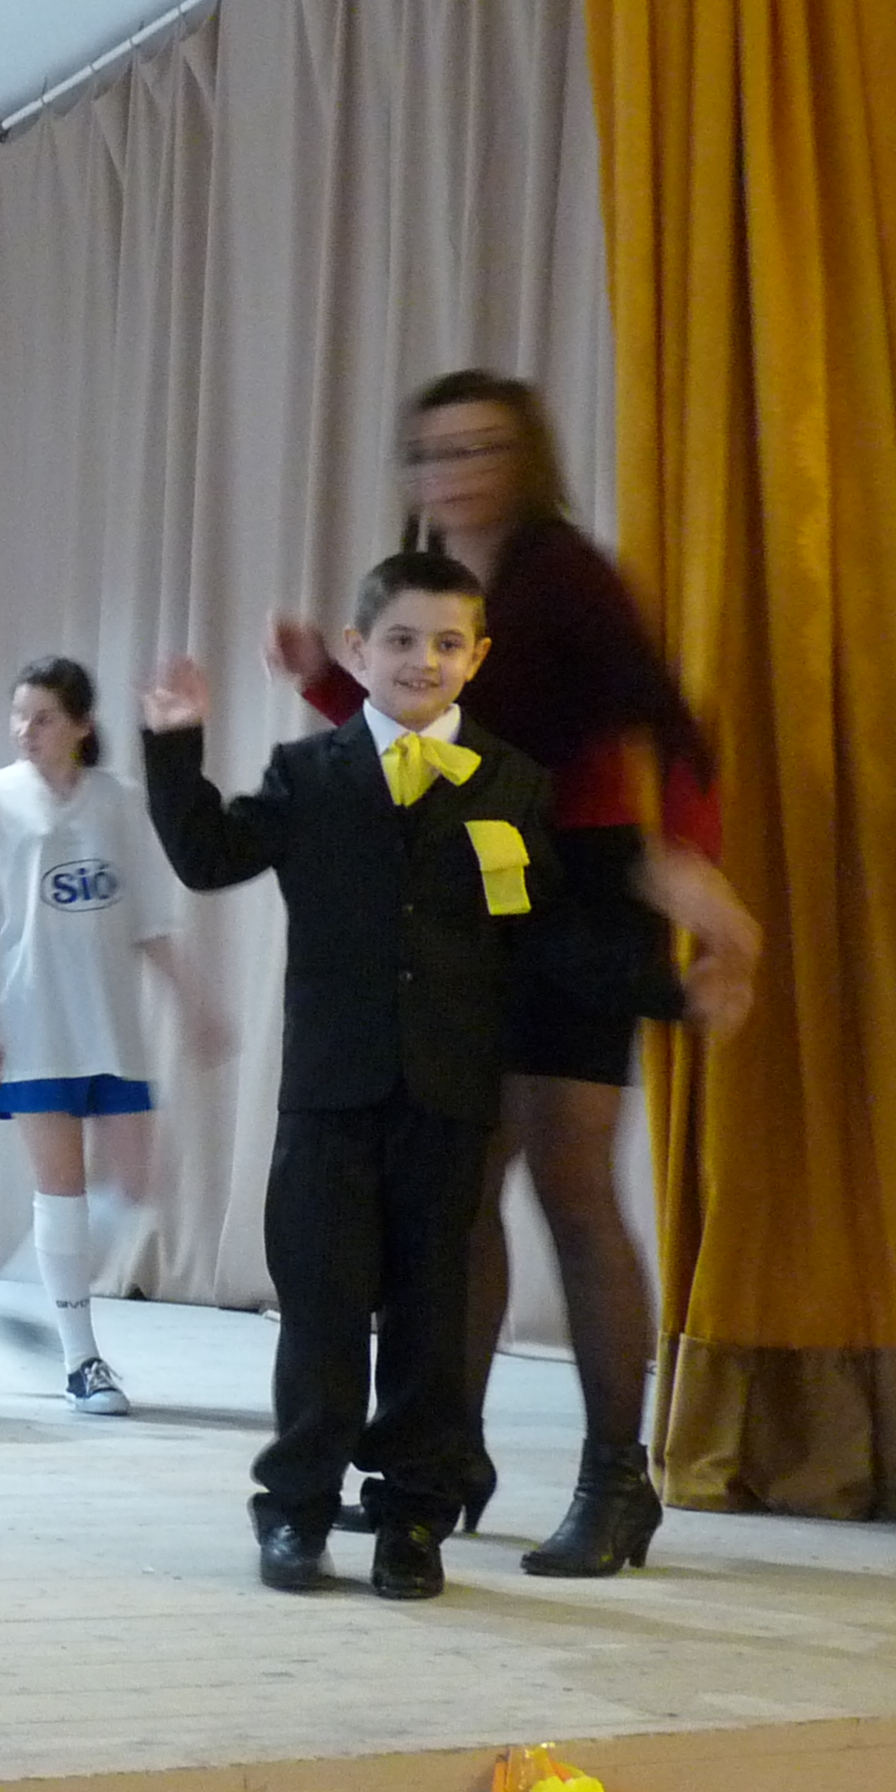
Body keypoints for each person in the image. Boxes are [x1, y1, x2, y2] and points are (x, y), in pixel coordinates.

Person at [269, 371, 759, 1576]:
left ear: (526, 457)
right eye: (433, 451)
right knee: (456, 1195)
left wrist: (692, 868)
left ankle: (615, 1481)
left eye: (480, 447)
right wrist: (325, 683)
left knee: (572, 1189)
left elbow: (669, 729)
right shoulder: (430, 587)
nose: (454, 471)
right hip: (471, 905)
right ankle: (440, 1463)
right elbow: (429, 749)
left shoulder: (564, 574)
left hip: (581, 891)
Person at [144, 551, 561, 1600]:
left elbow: (531, 938)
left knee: (432, 1318)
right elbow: (208, 857)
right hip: (331, 1089)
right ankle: (296, 1507)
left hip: (449, 1096)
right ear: (356, 652)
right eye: (402, 640)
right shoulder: (310, 774)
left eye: (448, 643)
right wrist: (175, 747)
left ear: (478, 657)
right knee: (321, 1311)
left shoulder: (514, 780)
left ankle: (413, 1515)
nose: (424, 660)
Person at [0, 657, 193, 1416]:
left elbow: (149, 919)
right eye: (19, 716)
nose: (26, 730)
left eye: (43, 717)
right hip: (32, 1020)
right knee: (63, 1187)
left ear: (81, 724)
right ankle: (82, 1359)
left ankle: (17, 1295)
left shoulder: (119, 801)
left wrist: (194, 1002)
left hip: (108, 1019)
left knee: (137, 1180)